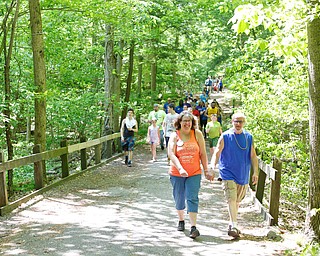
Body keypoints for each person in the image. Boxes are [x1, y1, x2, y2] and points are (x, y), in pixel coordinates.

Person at [210, 112, 259, 238]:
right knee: (231, 198)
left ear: (244, 123)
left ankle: (232, 222)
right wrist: (212, 167)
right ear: (232, 121)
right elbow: (217, 152)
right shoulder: (225, 136)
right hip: (227, 172)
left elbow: (253, 156)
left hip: (242, 173)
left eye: (241, 121)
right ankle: (235, 225)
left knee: (237, 201)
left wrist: (256, 172)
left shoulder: (249, 137)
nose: (238, 124)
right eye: (236, 121)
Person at [168, 111, 213, 239]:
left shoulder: (197, 134)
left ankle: (193, 227)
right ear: (179, 122)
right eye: (184, 121)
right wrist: (180, 168)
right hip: (177, 172)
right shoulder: (174, 136)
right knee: (179, 197)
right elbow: (171, 154)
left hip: (194, 172)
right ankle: (181, 219)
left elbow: (203, 154)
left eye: (189, 121)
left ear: (192, 123)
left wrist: (206, 170)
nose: (187, 123)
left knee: (192, 197)